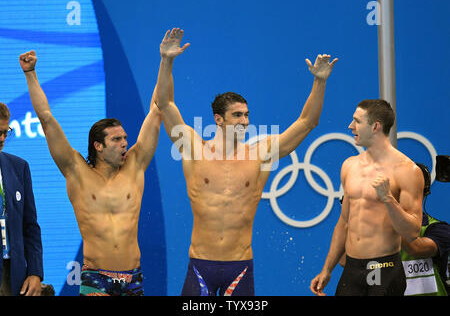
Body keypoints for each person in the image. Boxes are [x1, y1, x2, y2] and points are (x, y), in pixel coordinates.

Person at [155, 28, 338, 296]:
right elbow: (165, 104)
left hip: (239, 267)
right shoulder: (194, 148)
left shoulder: (260, 154)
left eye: (247, 115)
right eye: (237, 115)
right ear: (219, 119)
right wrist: (166, 60)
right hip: (200, 265)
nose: (245, 121)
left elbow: (307, 122)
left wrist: (320, 82)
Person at [19, 50, 162, 296]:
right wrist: (30, 73)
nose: (125, 143)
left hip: (133, 278)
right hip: (96, 279)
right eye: (116, 139)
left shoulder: (135, 166)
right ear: (98, 146)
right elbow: (46, 118)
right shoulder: (77, 172)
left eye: (125, 138)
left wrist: (166, 60)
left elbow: (158, 110)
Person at [310, 99, 424, 296]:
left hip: (385, 269)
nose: (350, 126)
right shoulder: (349, 165)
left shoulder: (407, 171)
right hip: (352, 270)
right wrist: (327, 269)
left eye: (357, 121)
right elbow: (344, 223)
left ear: (375, 126)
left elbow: (412, 232)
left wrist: (388, 199)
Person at [0, 102, 43, 296]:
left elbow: (30, 226)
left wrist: (35, 272)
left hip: (13, 276)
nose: (2, 138)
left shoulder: (19, 167)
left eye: (5, 131)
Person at [400, 163, 450, 296]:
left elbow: (416, 248)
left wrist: (387, 211)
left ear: (423, 191)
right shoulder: (377, 231)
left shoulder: (439, 229)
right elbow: (345, 262)